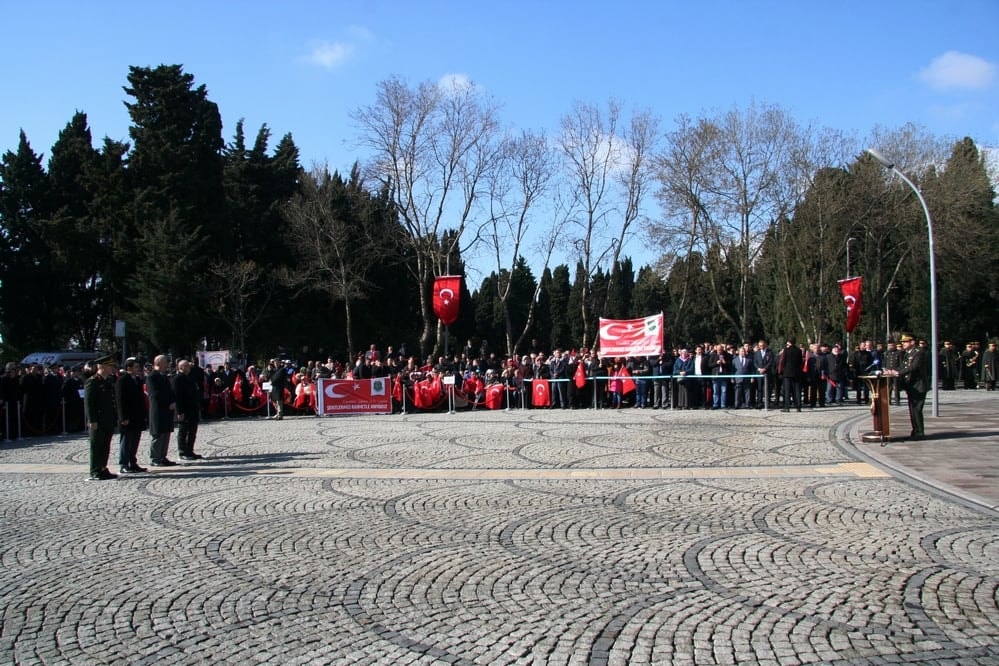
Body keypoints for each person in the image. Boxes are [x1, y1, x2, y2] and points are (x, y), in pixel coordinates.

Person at [83, 355, 118, 480]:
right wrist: (92, 420)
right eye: (109, 366)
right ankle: (95, 470)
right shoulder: (92, 381)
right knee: (97, 445)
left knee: (105, 445)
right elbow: (89, 403)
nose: (112, 368)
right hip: (98, 419)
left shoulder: (107, 381)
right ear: (102, 366)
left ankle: (103, 468)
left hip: (108, 419)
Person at [893, 333, 929, 440]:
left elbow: (913, 367)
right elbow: (903, 366)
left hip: (918, 386)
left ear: (912, 342)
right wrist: (892, 371)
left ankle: (919, 433)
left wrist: (898, 373)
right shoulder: (908, 354)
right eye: (902, 342)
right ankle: (915, 431)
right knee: (912, 410)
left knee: (916, 410)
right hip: (911, 386)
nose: (903, 344)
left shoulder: (919, 353)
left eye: (905, 342)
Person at [115, 357, 148, 474]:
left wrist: (144, 414)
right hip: (128, 417)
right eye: (136, 367)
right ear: (128, 368)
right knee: (126, 441)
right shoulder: (122, 380)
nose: (138, 369)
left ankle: (132, 462)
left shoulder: (137, 380)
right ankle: (124, 464)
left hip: (137, 416)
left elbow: (141, 399)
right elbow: (120, 400)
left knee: (135, 441)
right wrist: (123, 417)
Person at [147, 354, 177, 466]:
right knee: (158, 435)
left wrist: (173, 401)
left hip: (167, 410)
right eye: (165, 362)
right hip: (159, 410)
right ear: (158, 363)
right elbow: (156, 394)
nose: (167, 365)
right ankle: (155, 458)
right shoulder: (152, 377)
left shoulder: (164, 376)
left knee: (166, 434)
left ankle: (162, 456)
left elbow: (170, 391)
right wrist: (168, 402)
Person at [172, 359, 204, 460]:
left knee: (192, 432)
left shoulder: (190, 378)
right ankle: (182, 452)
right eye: (186, 366)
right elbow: (177, 397)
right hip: (184, 410)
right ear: (181, 367)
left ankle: (190, 451)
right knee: (183, 432)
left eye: (189, 365)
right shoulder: (177, 379)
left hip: (193, 409)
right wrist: (180, 411)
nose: (189, 367)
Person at [777, 338, 803, 412]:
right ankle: (798, 407)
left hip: (787, 372)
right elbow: (800, 362)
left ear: (789, 342)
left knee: (787, 390)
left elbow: (783, 361)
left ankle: (787, 407)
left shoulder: (786, 350)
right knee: (797, 390)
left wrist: (780, 371)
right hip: (796, 372)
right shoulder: (799, 350)